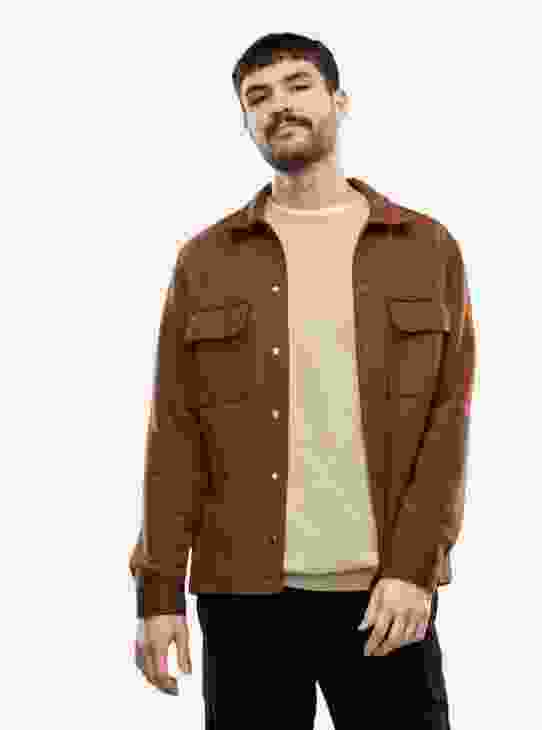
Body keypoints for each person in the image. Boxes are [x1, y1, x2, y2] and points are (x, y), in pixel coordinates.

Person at [129, 31, 476, 728]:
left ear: (339, 101)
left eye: (297, 85)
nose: (278, 105)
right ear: (245, 121)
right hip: (243, 599)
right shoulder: (206, 261)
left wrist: (415, 568)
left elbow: (448, 422)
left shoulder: (426, 247)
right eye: (257, 96)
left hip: (385, 597)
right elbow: (175, 434)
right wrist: (158, 593)